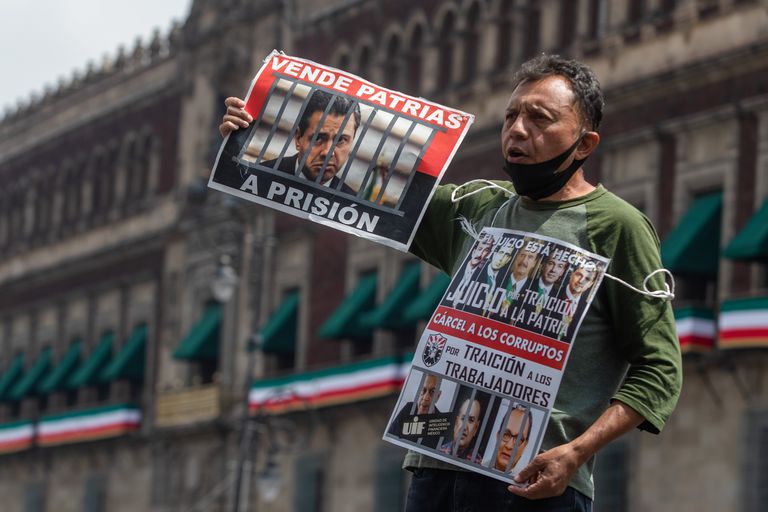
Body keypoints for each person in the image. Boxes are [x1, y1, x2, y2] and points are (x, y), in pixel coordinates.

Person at [219, 54, 683, 511]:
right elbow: (351, 179)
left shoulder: (617, 226)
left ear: (584, 143)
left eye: (539, 119)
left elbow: (660, 368)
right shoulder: (475, 207)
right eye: (511, 116)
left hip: (535, 485)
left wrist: (576, 452)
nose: (517, 130)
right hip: (435, 471)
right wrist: (257, 130)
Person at [218, 90, 360, 193]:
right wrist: (232, 145)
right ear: (298, 138)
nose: (327, 152)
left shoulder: (354, 204)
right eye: (318, 138)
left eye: (341, 140)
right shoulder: (259, 175)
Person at [387, 373, 443, 443]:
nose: (425, 398)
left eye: (432, 392)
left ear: (438, 396)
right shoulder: (409, 408)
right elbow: (390, 436)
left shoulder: (441, 421)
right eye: (423, 390)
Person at [555, 263, 599, 341]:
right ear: (571, 274)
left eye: (587, 279)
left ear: (590, 284)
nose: (581, 281)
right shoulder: (552, 293)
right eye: (579, 275)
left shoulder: (588, 309)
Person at [438, 396, 483, 463]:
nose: (464, 427)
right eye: (463, 419)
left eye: (471, 420)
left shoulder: (478, 463)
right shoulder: (439, 452)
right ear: (456, 423)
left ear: (476, 429)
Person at [493, 405, 533, 473]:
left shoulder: (527, 480)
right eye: (506, 435)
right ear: (498, 436)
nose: (509, 446)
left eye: (518, 439)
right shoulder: (479, 464)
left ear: (525, 445)